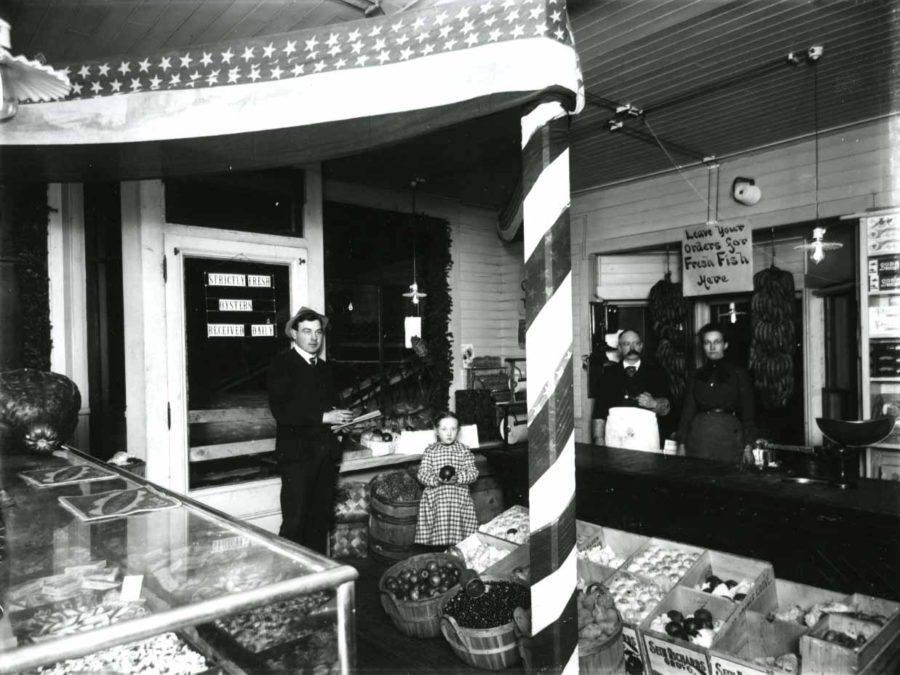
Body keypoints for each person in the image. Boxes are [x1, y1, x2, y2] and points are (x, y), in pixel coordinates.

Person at [267, 307, 354, 553]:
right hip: (297, 458)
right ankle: (290, 582)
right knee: (294, 523)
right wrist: (326, 416)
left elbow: (330, 407)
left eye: (318, 332)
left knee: (319, 522)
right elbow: (282, 411)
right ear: (294, 334)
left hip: (325, 456)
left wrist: (339, 424)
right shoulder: (282, 364)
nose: (314, 337)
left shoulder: (324, 368)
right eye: (307, 331)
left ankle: (316, 583)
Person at [677, 323, 756, 463]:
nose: (712, 347)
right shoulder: (696, 375)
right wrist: (681, 444)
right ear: (703, 346)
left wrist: (748, 446)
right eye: (707, 343)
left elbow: (748, 413)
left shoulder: (738, 374)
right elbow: (687, 411)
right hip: (699, 439)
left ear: (725, 345)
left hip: (729, 437)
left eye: (717, 342)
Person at [591, 330, 671, 449]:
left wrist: (654, 403)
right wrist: (599, 441)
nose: (632, 348)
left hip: (646, 441)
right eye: (627, 344)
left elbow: (667, 409)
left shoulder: (657, 372)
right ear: (619, 347)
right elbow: (599, 413)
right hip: (615, 441)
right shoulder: (607, 375)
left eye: (636, 343)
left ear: (641, 346)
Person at [414, 411, 479, 547]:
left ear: (458, 430)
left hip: (459, 500)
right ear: (436, 431)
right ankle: (440, 553)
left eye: (453, 429)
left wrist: (459, 478)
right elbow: (422, 473)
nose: (449, 433)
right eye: (444, 429)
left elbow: (473, 473)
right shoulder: (430, 451)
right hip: (436, 500)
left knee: (461, 537)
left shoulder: (463, 451)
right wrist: (436, 479)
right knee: (438, 532)